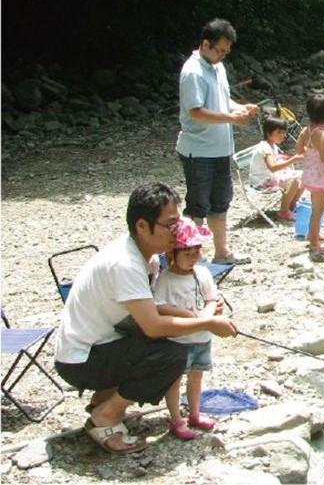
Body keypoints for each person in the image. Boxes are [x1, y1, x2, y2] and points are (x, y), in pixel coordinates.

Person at [53, 183, 238, 455]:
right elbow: (153, 326)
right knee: (172, 356)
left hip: (102, 343)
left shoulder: (146, 259)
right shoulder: (125, 264)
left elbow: (151, 310)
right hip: (81, 359)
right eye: (170, 225)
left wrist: (202, 309)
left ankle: (103, 402)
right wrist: (207, 323)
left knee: (165, 344)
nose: (177, 233)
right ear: (142, 226)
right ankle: (104, 417)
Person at [176, 18, 257, 265]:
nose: (223, 55)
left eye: (226, 51)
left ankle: (221, 252)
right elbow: (196, 112)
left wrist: (240, 108)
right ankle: (192, 256)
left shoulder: (217, 67)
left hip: (221, 149)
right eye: (220, 50)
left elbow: (223, 101)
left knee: (221, 202)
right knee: (198, 204)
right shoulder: (192, 71)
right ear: (205, 44)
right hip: (198, 151)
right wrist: (232, 118)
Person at [154, 218, 222, 440]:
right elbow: (159, 306)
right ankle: (176, 419)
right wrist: (189, 316)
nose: (193, 258)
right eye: (187, 253)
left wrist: (206, 316)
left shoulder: (202, 274)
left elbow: (212, 299)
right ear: (172, 254)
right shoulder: (166, 278)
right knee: (174, 380)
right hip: (178, 340)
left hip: (202, 338)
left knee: (197, 376)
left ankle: (195, 413)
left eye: (196, 252)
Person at [295, 94, 324, 255]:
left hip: (309, 173)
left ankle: (313, 233)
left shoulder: (305, 131)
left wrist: (311, 153)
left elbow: (299, 151)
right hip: (320, 176)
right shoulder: (322, 135)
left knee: (322, 202)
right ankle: (314, 243)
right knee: (317, 209)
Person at [249, 116, 305, 221]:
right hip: (261, 182)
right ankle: (284, 211)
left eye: (284, 132)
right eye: (279, 132)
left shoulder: (272, 146)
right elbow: (273, 168)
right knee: (294, 180)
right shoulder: (265, 148)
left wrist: (282, 159)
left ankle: (291, 206)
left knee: (303, 176)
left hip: (268, 177)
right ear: (269, 133)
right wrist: (292, 160)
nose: (282, 135)